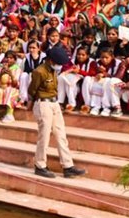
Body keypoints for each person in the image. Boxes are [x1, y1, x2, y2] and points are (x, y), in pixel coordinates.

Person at [27, 45, 86, 179]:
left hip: (54, 103)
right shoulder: (39, 72)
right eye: (58, 63)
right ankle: (40, 165)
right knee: (44, 136)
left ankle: (67, 165)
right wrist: (31, 104)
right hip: (43, 103)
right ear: (51, 61)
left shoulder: (53, 70)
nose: (60, 66)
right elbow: (32, 90)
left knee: (61, 134)